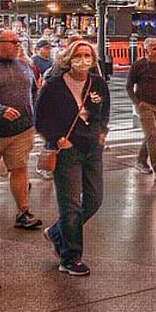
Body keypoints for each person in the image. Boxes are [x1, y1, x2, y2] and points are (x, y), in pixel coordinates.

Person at [35, 40, 111, 276]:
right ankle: (70, 257)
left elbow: (103, 110)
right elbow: (41, 119)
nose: (83, 60)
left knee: (95, 199)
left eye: (88, 55)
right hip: (67, 150)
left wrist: (101, 133)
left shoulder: (97, 83)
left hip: (92, 148)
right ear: (69, 58)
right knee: (71, 205)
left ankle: (58, 232)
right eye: (78, 55)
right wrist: (57, 138)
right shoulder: (54, 85)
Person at [0, 29, 43, 230]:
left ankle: (23, 212)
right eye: (12, 41)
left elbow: (33, 91)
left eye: (18, 41)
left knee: (20, 169)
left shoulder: (24, 65)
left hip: (22, 129)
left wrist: (33, 114)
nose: (17, 44)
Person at [126, 38, 156, 180]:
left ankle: (141, 160)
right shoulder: (138, 65)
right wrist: (137, 102)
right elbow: (129, 86)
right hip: (145, 104)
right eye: (154, 48)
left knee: (151, 135)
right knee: (153, 134)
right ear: (147, 50)